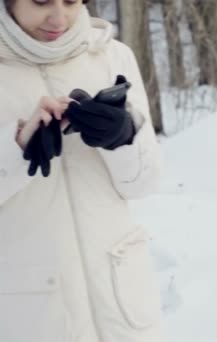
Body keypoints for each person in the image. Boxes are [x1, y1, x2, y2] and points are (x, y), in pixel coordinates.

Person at [0, 0, 167, 341]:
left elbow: (145, 183)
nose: (59, 17)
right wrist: (17, 147)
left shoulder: (112, 56)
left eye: (72, 1)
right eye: (41, 1)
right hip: (34, 316)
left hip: (123, 305)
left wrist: (122, 138)